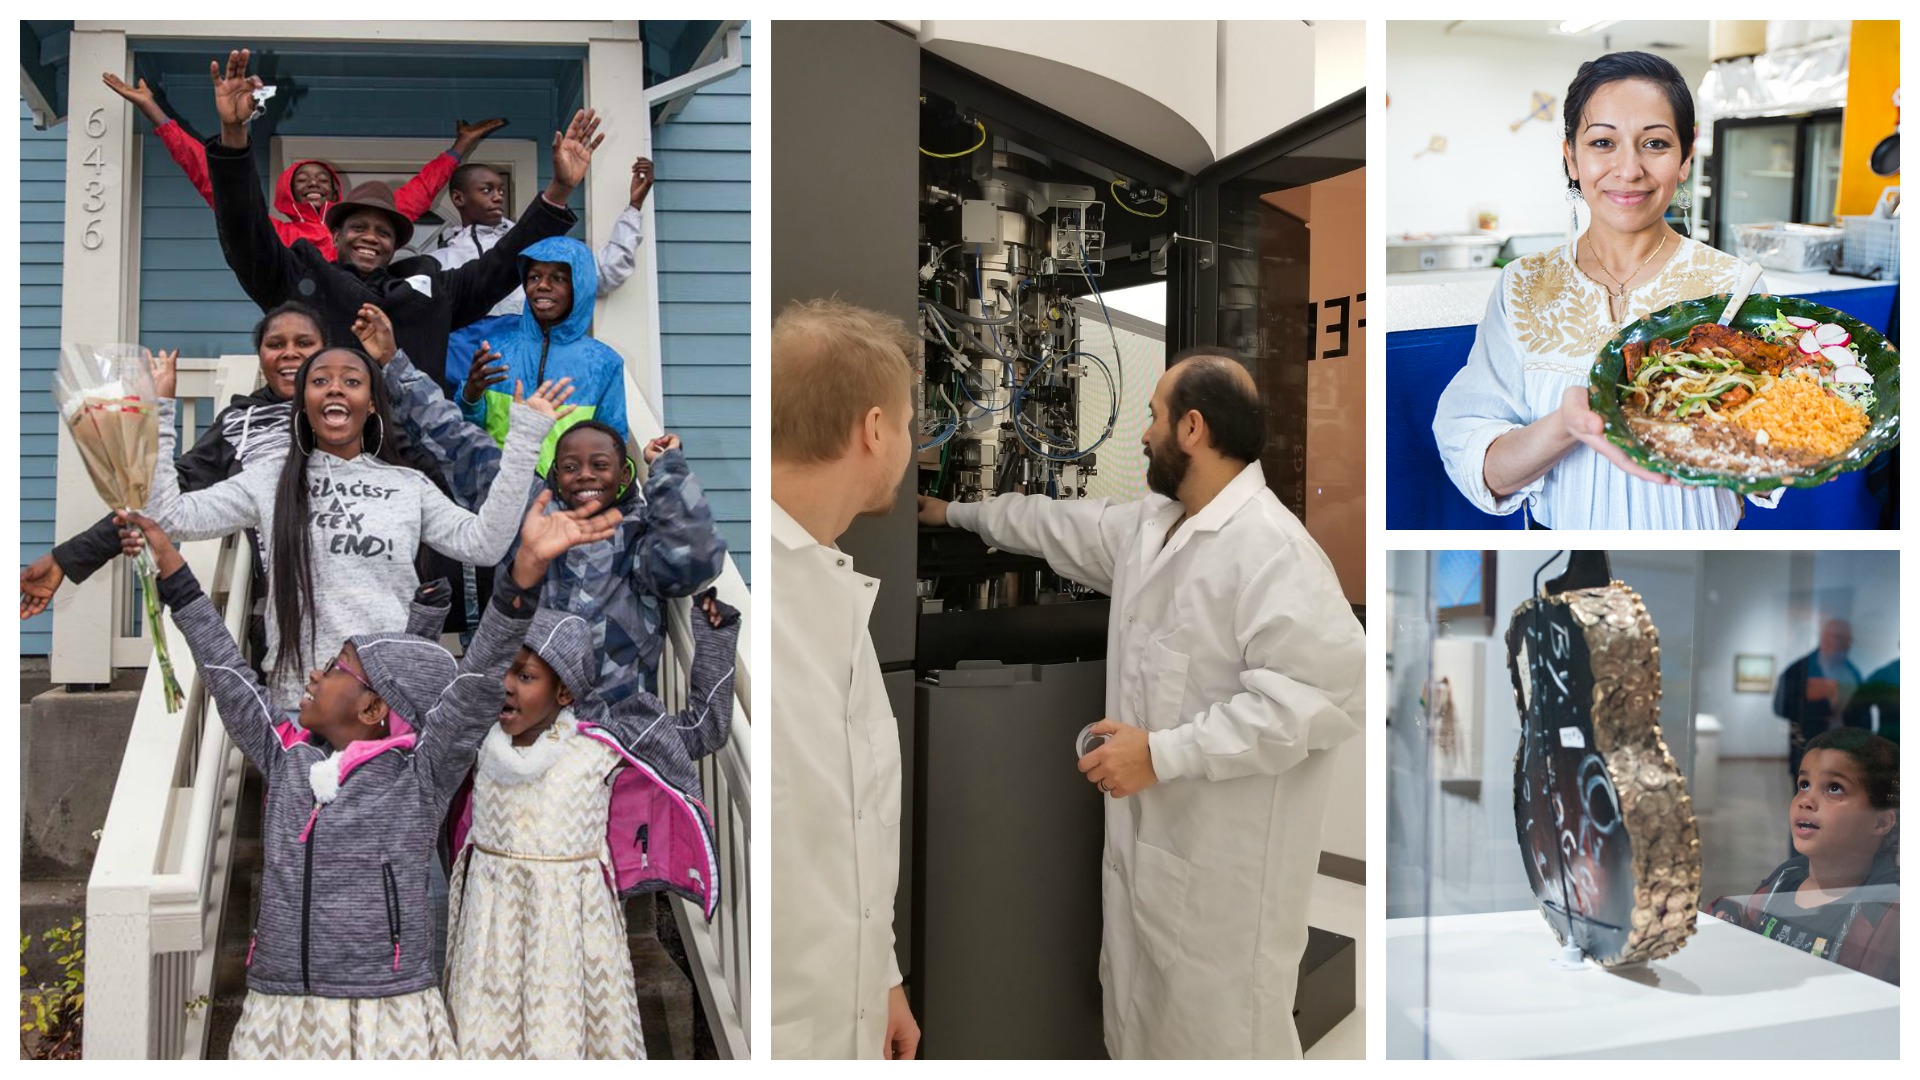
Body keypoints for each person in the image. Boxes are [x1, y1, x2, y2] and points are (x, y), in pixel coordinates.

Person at [919, 353, 1365, 1059]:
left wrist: (1162, 753)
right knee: (1142, 1032)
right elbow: (1054, 524)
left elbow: (1315, 701)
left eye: (1154, 415)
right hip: (1151, 874)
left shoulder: (1274, 552)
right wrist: (953, 511)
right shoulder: (1154, 526)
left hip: (1223, 891)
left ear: (1193, 428)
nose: (1143, 433)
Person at [113, 495, 619, 1057]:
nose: (314, 673)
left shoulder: (420, 776)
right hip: (281, 1002)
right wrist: (173, 569)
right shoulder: (287, 760)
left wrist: (522, 577)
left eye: (334, 668)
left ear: (374, 708)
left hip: (385, 1007)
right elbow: (227, 673)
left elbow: (477, 682)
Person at [1433, 51, 1772, 529]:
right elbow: (1485, 467)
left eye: (1654, 143)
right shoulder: (1524, 287)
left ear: (1685, 161)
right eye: (1603, 143)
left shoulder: (1736, 287)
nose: (1629, 169)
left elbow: (1778, 446)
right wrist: (1567, 424)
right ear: (1571, 157)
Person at [144, 343, 557, 711]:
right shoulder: (270, 479)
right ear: (304, 403)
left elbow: (484, 545)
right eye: (320, 381)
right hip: (301, 709)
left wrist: (523, 441)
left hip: (391, 708)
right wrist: (162, 411)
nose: (336, 388)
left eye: (352, 381)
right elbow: (171, 517)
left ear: (372, 403)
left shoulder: (407, 484)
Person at [364, 302, 726, 702]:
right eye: (570, 466)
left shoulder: (639, 536)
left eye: (600, 464)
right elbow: (454, 438)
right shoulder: (528, 506)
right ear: (554, 474)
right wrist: (393, 363)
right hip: (524, 721)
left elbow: (692, 562)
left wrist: (668, 471)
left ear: (625, 476)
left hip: (612, 732)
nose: (585, 474)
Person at [438, 590, 739, 1058]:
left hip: (569, 924)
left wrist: (715, 638)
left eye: (525, 675)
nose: (506, 685)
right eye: (504, 670)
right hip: (490, 920)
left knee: (561, 1033)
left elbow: (704, 728)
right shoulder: (478, 739)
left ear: (564, 692)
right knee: (485, 1035)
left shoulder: (598, 747)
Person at [201, 49, 599, 388]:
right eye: (358, 227)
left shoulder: (429, 287)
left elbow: (502, 263)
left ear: (396, 244)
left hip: (412, 449)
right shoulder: (299, 276)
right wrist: (233, 134)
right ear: (335, 236)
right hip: (322, 446)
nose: (371, 237)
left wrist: (559, 190)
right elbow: (245, 232)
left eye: (383, 231)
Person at [770, 299, 919, 1060]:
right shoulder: (752, 597)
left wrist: (880, 978)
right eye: (907, 423)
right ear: (873, 430)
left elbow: (847, 829)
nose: (909, 443)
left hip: (846, 1005)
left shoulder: (825, 582)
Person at [101, 70, 504, 262]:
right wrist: (158, 115)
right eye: (303, 179)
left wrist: (459, 148)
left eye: (321, 180)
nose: (313, 184)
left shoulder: (361, 225)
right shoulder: (281, 232)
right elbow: (212, 180)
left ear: (334, 191)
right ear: (288, 192)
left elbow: (421, 188)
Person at [1709, 728, 1899, 985]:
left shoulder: (1888, 912)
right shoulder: (1781, 881)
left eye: (1834, 788)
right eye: (1804, 785)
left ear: (1881, 821)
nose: (1806, 801)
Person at [443, 236, 632, 470]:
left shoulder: (604, 363)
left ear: (580, 286)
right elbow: (467, 431)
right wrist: (470, 396)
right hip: (497, 492)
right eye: (534, 277)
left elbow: (613, 442)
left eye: (558, 278)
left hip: (568, 499)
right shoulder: (494, 349)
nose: (542, 285)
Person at [421, 157, 652, 319]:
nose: (498, 197)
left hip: (531, 368)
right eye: (486, 190)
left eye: (500, 190)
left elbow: (603, 275)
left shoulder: (538, 247)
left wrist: (633, 208)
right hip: (468, 376)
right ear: (459, 198)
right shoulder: (441, 261)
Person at [1776, 618, 1869, 778]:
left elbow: (1862, 712)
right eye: (1839, 638)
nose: (1845, 644)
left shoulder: (1852, 672)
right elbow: (1781, 706)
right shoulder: (1800, 670)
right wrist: (1819, 705)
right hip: (1810, 749)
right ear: (1824, 637)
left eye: (1848, 640)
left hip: (1846, 753)